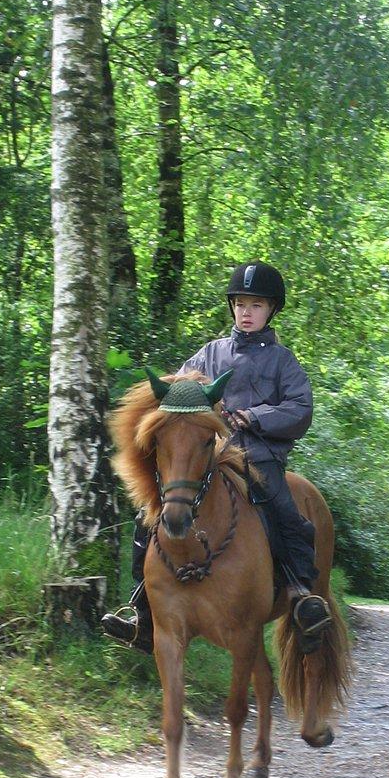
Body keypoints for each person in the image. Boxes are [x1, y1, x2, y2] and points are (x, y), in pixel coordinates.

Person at [101, 260, 331, 653]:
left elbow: (300, 408)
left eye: (256, 305)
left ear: (271, 309)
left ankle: (301, 595)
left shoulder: (283, 362)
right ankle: (141, 608)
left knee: (284, 511)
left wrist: (254, 416)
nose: (246, 312)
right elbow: (181, 394)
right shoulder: (208, 354)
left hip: (260, 459)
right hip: (210, 458)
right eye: (241, 304)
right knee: (150, 514)